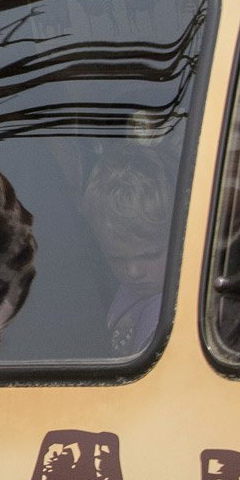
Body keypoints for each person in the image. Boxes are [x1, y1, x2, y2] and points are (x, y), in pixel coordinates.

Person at [79, 151, 174, 355]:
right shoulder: (131, 291)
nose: (133, 272)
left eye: (150, 256)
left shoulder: (167, 314)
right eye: (117, 258)